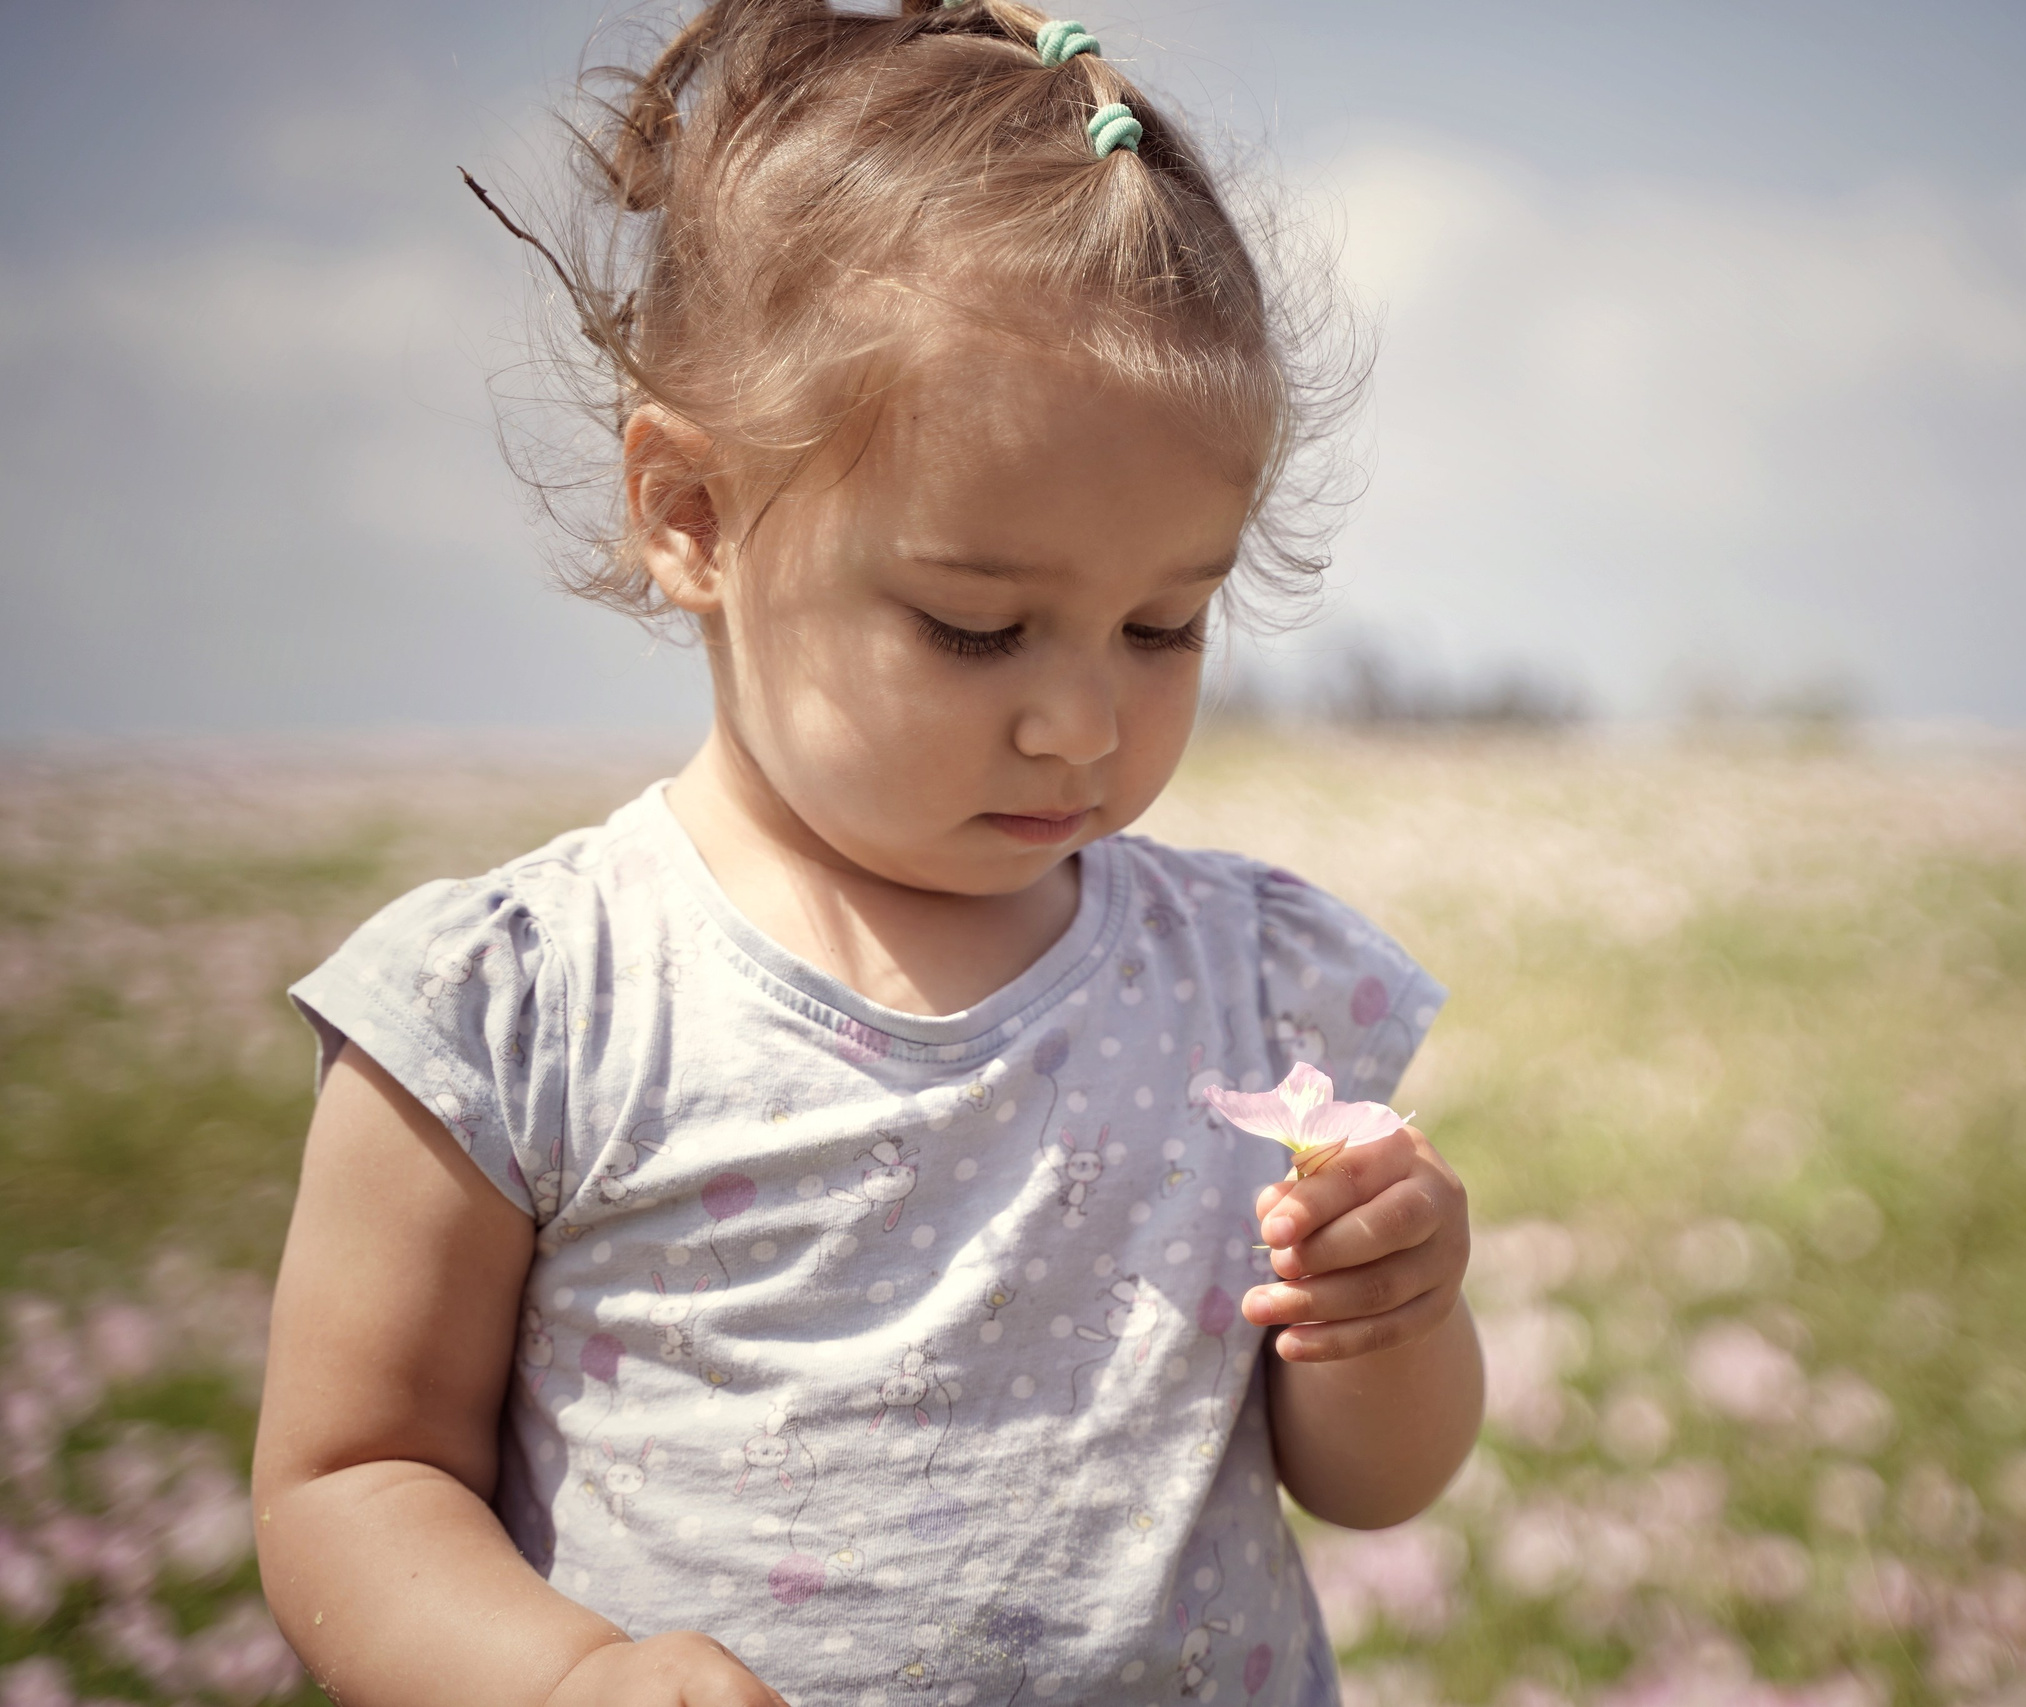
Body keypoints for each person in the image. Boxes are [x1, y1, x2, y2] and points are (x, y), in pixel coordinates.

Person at [248, 3, 1482, 1704]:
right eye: (978, 629)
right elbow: (350, 1480)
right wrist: (561, 1678)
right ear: (692, 516)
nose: (1082, 722)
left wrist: (1391, 1324)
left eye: (1162, 623)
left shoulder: (1253, 981)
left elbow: (1369, 1480)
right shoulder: (523, 1009)